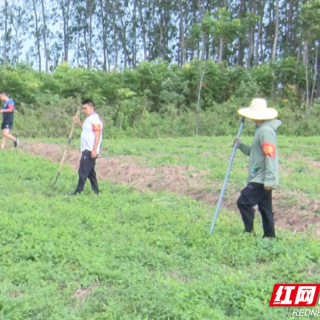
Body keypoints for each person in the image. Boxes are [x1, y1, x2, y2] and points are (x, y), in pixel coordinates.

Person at [235, 98, 281, 238]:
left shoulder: (265, 132)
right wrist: (240, 145)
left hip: (262, 177)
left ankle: (249, 233)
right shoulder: (260, 130)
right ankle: (270, 237)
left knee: (243, 202)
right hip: (260, 175)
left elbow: (270, 155)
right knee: (266, 208)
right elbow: (255, 152)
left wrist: (269, 179)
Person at [72, 99, 103, 195]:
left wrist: (94, 150)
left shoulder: (95, 119)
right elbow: (87, 129)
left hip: (90, 150)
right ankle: (96, 191)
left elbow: (98, 134)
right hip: (86, 149)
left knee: (83, 171)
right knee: (90, 173)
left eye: (85, 108)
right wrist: (79, 123)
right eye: (83, 109)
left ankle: (78, 191)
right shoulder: (88, 119)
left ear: (91, 107)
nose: (84, 111)